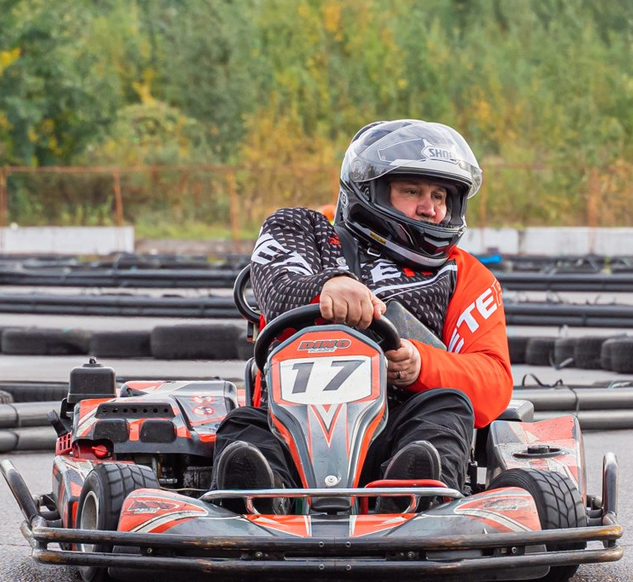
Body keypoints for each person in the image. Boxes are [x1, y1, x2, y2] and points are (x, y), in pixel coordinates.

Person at [213, 120, 512, 495]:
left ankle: (411, 494)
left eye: (439, 196)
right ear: (370, 190)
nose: (430, 208)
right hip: (289, 425)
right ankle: (261, 501)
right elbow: (276, 288)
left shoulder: (464, 275)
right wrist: (329, 285)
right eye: (411, 191)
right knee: (241, 427)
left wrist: (420, 363)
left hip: (399, 429)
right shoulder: (303, 229)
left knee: (445, 407)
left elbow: (494, 382)